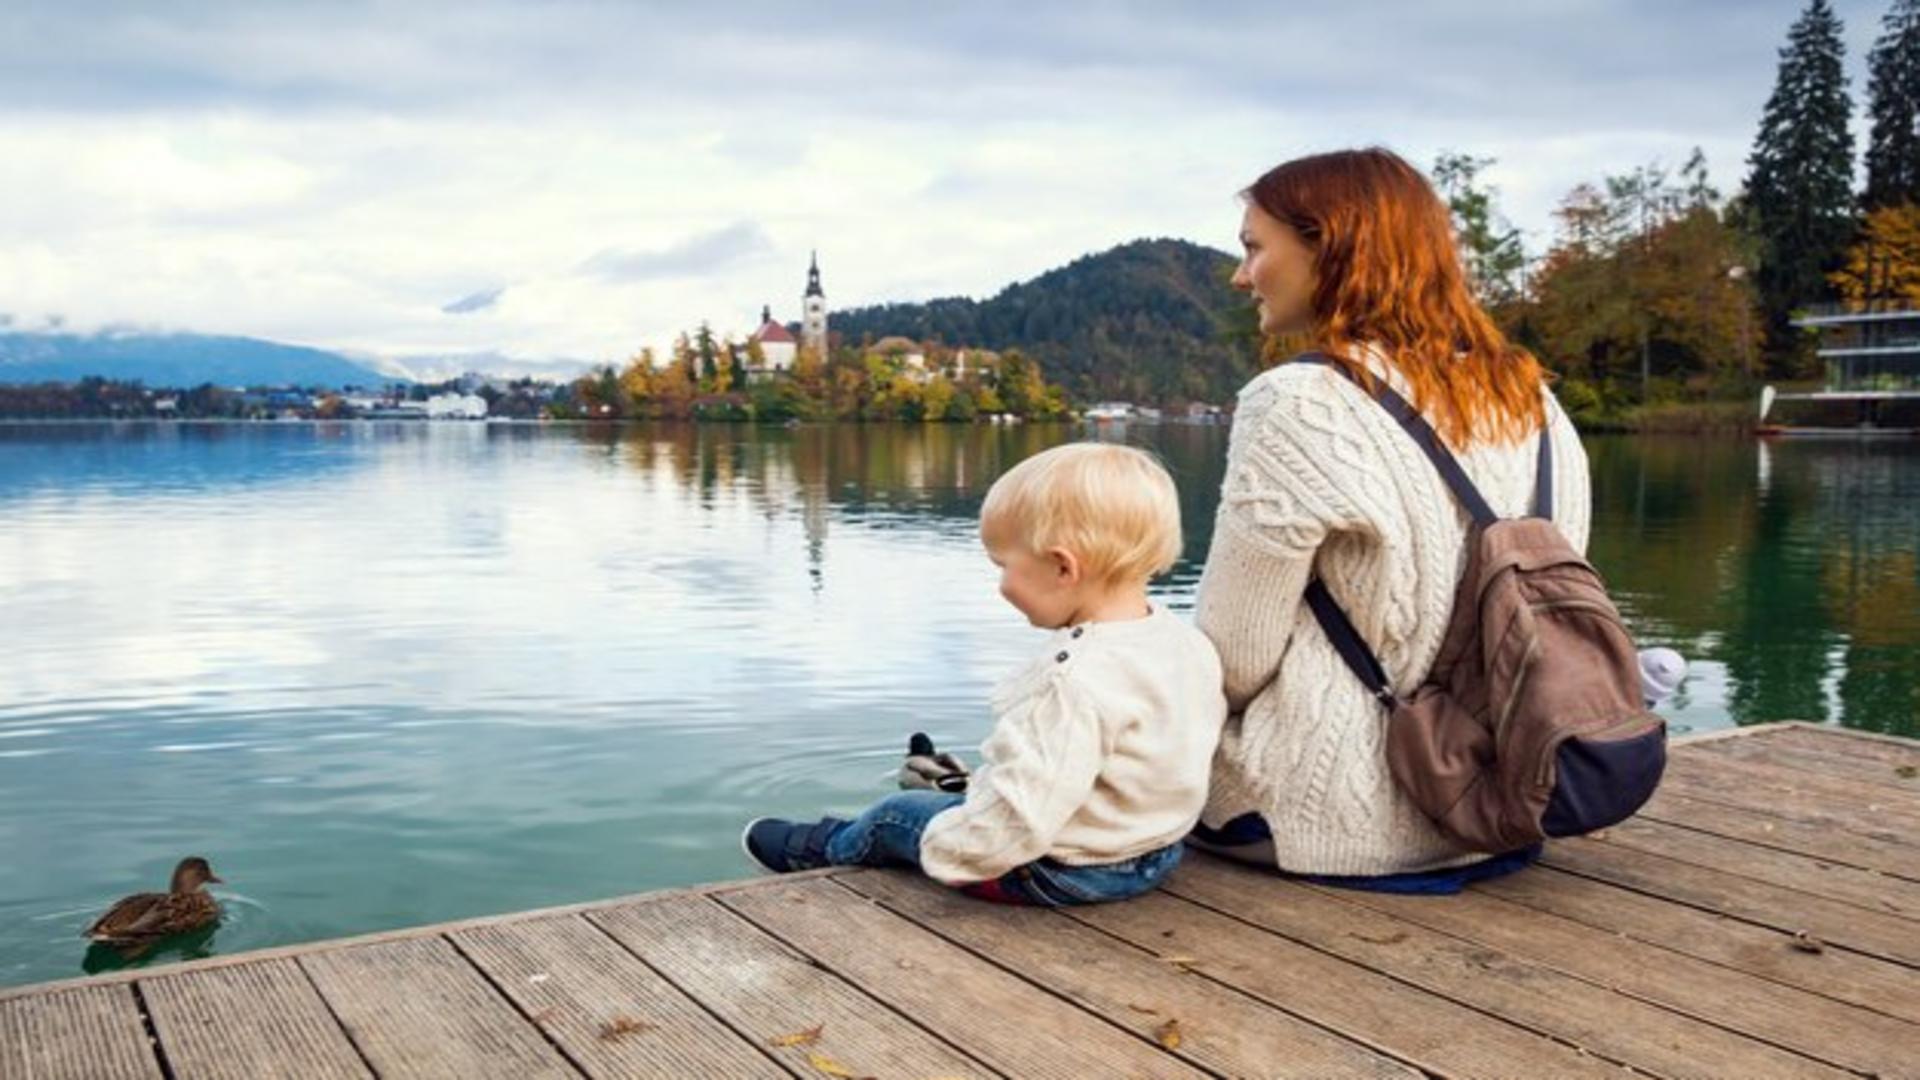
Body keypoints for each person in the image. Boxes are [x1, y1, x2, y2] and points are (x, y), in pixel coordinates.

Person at [1188, 147, 1594, 885]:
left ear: (1329, 247)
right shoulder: (1536, 402)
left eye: (1253, 248)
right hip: (1505, 805)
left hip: (1325, 817)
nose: (1241, 276)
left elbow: (1234, 660)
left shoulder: (1298, 401)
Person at [742, 442, 1227, 906]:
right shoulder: (1184, 643)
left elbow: (1011, 825)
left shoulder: (1071, 680)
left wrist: (949, 844)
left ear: (1062, 567)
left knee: (897, 815)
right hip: (1155, 855)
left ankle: (822, 845)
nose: (1000, 585)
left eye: (1003, 566)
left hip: (1061, 875)